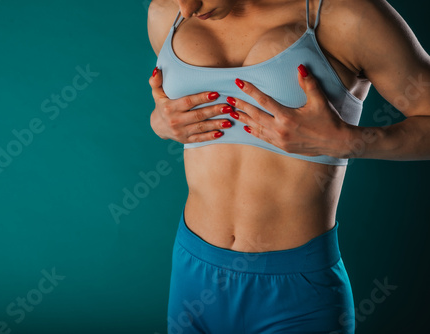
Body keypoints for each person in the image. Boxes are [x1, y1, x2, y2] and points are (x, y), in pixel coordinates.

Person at [147, 0, 430, 333]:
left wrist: (349, 142)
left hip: (297, 290)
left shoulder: (346, 14)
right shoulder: (167, 13)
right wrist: (160, 123)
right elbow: (168, 109)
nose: (188, 7)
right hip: (192, 274)